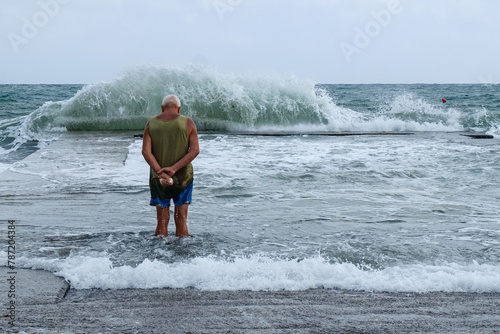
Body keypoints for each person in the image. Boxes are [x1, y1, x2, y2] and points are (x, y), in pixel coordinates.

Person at [142, 95, 199, 237]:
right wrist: (173, 169)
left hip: (159, 178)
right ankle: (182, 254)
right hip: (183, 178)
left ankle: (160, 255)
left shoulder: (151, 123)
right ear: (179, 108)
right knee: (182, 220)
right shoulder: (188, 123)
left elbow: (145, 151)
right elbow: (195, 151)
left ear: (162, 107)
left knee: (161, 221)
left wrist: (159, 172)